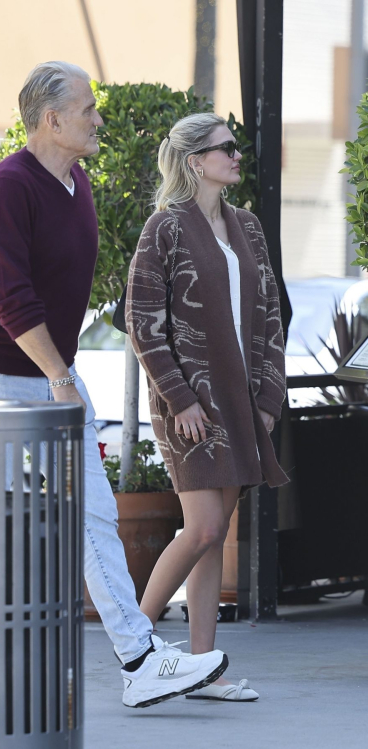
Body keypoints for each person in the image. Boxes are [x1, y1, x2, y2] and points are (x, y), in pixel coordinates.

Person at [0, 63, 227, 709]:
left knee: (94, 514)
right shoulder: (7, 185)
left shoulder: (76, 182)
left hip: (51, 372)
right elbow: (5, 295)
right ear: (51, 119)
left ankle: (137, 658)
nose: (98, 118)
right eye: (88, 108)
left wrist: (60, 372)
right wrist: (57, 376)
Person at [126, 113, 289, 702]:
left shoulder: (247, 227)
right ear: (196, 160)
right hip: (189, 405)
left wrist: (268, 399)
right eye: (226, 148)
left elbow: (271, 315)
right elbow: (143, 323)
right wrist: (179, 398)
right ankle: (135, 653)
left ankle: (199, 668)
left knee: (215, 532)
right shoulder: (164, 228)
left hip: (240, 404)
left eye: (235, 147)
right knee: (203, 527)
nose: (237, 155)